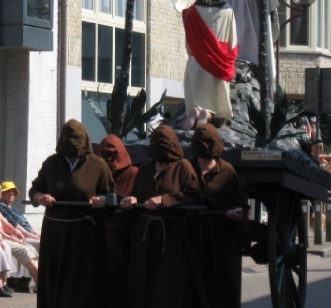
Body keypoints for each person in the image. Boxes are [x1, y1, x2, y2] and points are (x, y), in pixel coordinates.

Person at [29, 119, 115, 308]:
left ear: (84, 139)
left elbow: (111, 194)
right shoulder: (51, 163)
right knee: (55, 276)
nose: (72, 142)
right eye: (67, 138)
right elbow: (34, 189)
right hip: (55, 232)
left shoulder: (98, 165)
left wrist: (102, 199)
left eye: (77, 138)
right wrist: (40, 196)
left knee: (82, 280)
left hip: (85, 234)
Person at [120, 124, 203, 308]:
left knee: (167, 284)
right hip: (145, 237)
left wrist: (165, 200)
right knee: (144, 282)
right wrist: (131, 199)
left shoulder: (183, 167)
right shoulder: (144, 169)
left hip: (171, 238)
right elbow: (137, 194)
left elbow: (195, 197)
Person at [188, 123, 245, 308]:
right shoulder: (187, 169)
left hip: (221, 239)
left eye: (209, 160)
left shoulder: (227, 171)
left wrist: (235, 212)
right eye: (203, 160)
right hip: (194, 238)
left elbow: (241, 204)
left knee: (223, 288)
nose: (206, 164)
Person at [181, 0, 238, 129]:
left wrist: (197, 55)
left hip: (196, 63)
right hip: (217, 66)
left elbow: (189, 45)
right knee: (212, 107)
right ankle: (206, 115)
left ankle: (194, 112)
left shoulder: (190, 13)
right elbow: (232, 43)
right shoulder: (227, 11)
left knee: (196, 102)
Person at [96, 134, 138, 308]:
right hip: (99, 234)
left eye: (113, 154)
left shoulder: (134, 174)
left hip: (127, 235)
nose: (109, 159)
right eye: (105, 154)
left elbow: (142, 195)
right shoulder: (96, 173)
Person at [0, 182, 38, 290]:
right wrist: (12, 237)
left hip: (3, 237)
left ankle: (38, 282)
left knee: (30, 248)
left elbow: (5, 223)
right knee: (24, 249)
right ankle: (43, 280)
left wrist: (15, 232)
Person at [0, 182, 40, 250]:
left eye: (13, 192)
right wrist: (30, 235)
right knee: (42, 245)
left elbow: (26, 223)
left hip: (29, 234)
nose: (12, 194)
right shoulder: (1, 206)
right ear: (1, 194)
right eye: (8, 191)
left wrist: (37, 234)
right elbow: (13, 224)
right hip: (21, 236)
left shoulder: (13, 208)